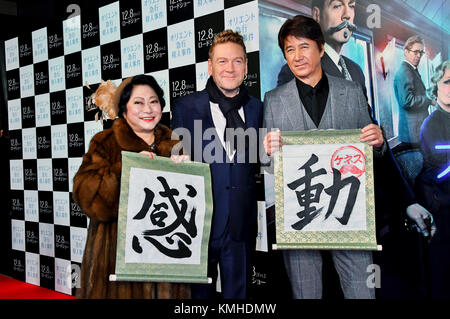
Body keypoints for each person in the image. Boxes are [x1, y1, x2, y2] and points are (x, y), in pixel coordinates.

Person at [263, 15, 384, 299]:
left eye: (303, 47)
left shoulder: (351, 92)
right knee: (305, 294)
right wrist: (266, 151)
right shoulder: (273, 99)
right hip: (300, 216)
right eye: (289, 50)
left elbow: (370, 151)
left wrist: (378, 142)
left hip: (349, 215)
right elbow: (269, 164)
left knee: (362, 292)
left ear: (320, 48)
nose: (297, 56)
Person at [73, 75, 190, 298]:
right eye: (138, 102)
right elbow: (85, 196)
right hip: (116, 265)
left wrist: (186, 175)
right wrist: (123, 170)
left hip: (165, 264)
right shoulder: (105, 142)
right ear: (124, 109)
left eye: (154, 101)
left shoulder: (175, 145)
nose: (148, 109)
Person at [171, 30, 263, 299]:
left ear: (246, 66)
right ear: (210, 67)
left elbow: (260, 161)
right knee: (198, 298)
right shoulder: (186, 106)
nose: (230, 68)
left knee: (239, 296)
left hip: (241, 224)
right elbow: (176, 158)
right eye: (222, 61)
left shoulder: (258, 108)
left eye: (237, 61)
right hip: (198, 224)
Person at [415, 60, 450, 298]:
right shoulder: (431, 125)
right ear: (435, 87)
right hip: (442, 203)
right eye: (447, 82)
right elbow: (440, 172)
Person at [394, 35, 437, 147]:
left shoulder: (411, 70)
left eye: (421, 52)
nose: (418, 56)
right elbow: (407, 101)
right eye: (415, 52)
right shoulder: (405, 72)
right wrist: (429, 99)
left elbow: (417, 93)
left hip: (415, 132)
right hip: (412, 134)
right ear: (406, 52)